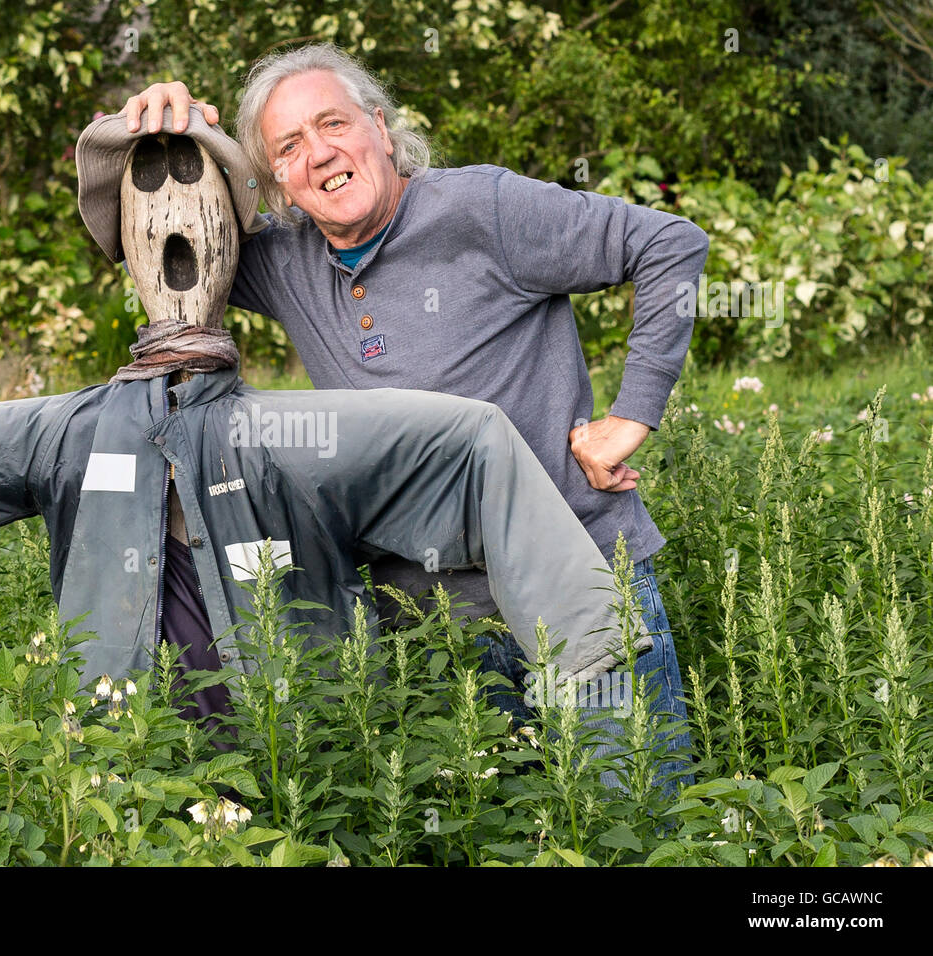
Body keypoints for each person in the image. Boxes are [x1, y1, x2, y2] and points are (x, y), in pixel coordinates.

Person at [121, 43, 710, 798]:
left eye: (332, 124)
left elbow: (668, 243)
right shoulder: (284, 261)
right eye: (289, 149)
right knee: (497, 836)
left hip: (578, 583)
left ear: (380, 126)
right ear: (279, 186)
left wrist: (631, 417)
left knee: (637, 818)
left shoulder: (482, 209)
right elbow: (147, 229)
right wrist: (170, 134)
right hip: (433, 631)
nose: (319, 155)